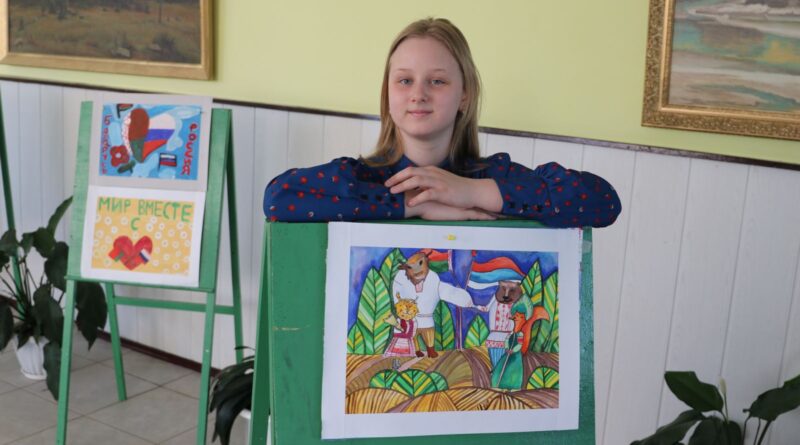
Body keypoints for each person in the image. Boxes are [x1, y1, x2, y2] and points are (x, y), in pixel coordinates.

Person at [264, 18, 621, 227]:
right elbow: (278, 197)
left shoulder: (492, 177)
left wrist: (471, 192)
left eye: (437, 81)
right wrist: (414, 206)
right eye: (405, 81)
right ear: (388, 93)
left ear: (464, 95)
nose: (418, 94)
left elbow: (604, 201)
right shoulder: (364, 178)